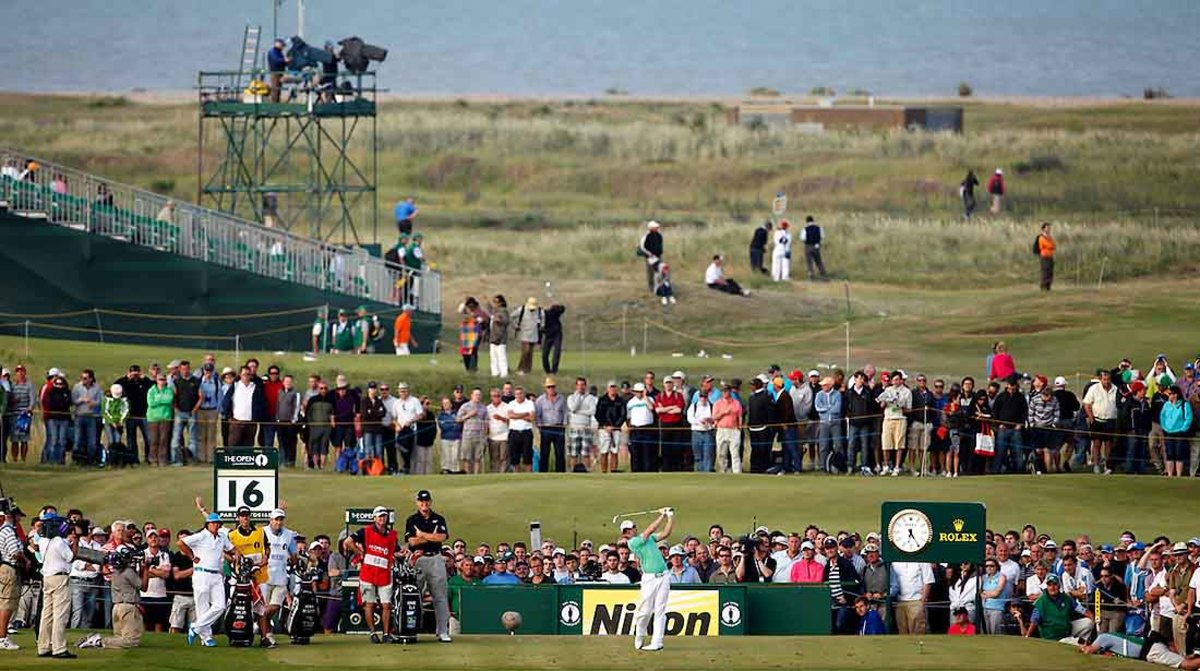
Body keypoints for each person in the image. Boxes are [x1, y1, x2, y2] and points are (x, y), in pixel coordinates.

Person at [178, 512, 236, 647]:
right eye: (213, 523)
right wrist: (192, 557)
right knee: (202, 606)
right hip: (201, 574)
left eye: (217, 523)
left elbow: (232, 549)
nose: (216, 525)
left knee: (220, 605)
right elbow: (181, 543)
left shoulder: (222, 537)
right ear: (208, 524)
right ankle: (207, 638)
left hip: (216, 575)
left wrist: (237, 554)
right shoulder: (201, 535)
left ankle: (196, 627)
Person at [343, 506, 399, 643]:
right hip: (368, 574)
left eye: (384, 516)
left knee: (387, 605)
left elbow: (394, 550)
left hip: (384, 574)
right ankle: (373, 633)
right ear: (374, 518)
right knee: (369, 604)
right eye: (379, 516)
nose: (382, 518)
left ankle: (386, 634)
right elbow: (347, 542)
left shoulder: (392, 534)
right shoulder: (365, 531)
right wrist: (360, 552)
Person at [405, 490, 451, 643]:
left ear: (430, 502)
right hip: (418, 559)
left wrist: (422, 535)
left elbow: (442, 537)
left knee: (440, 597)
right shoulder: (412, 519)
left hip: (436, 559)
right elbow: (412, 542)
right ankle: (412, 629)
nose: (424, 504)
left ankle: (443, 631)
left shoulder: (439, 518)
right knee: (414, 596)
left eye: (426, 501)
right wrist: (431, 536)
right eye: (421, 501)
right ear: (417, 502)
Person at [627, 508, 674, 651]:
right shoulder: (633, 542)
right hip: (649, 579)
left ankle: (657, 642)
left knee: (660, 610)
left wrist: (670, 517)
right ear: (627, 532)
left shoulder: (650, 539)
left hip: (664, 576)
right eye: (633, 527)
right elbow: (650, 529)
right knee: (645, 611)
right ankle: (640, 634)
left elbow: (666, 533)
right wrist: (662, 515)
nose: (635, 528)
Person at [226, 506, 274, 647]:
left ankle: (264, 637)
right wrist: (233, 559)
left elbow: (267, 547)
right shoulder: (232, 535)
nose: (245, 518)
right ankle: (235, 633)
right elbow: (225, 553)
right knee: (236, 606)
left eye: (247, 515)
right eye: (242, 515)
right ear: (238, 518)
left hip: (259, 576)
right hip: (239, 578)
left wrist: (266, 556)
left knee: (260, 609)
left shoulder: (260, 532)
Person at [511, 297, 542, 376]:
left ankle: (528, 369)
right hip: (524, 334)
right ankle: (520, 368)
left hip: (534, 335)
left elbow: (543, 322)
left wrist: (540, 326)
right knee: (525, 352)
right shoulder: (522, 310)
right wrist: (516, 325)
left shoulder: (540, 311)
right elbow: (512, 316)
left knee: (530, 353)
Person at [638, 220, 664, 293]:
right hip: (650, 257)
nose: (657, 228)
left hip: (658, 256)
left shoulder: (659, 235)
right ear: (651, 228)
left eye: (657, 227)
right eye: (656, 227)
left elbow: (660, 245)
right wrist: (649, 253)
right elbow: (642, 247)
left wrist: (660, 253)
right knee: (650, 272)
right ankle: (651, 287)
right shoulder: (646, 236)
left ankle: (659, 286)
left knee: (660, 271)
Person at [541, 303, 566, 374]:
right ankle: (548, 370)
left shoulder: (552, 313)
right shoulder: (544, 314)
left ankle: (553, 370)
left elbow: (562, 308)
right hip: (549, 335)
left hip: (556, 334)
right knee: (545, 354)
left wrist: (554, 307)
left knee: (555, 353)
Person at [487, 296, 509, 376]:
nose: (495, 304)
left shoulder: (503, 311)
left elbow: (505, 321)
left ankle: (504, 373)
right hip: (493, 336)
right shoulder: (495, 311)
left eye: (496, 302)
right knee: (493, 356)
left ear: (501, 302)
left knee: (501, 356)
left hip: (500, 337)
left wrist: (499, 320)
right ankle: (495, 372)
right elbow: (490, 310)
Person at [802, 215, 828, 281]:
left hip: (808, 246)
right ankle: (823, 275)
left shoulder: (805, 228)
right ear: (813, 220)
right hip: (817, 246)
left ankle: (811, 275)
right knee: (818, 261)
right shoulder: (819, 228)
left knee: (809, 262)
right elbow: (822, 236)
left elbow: (803, 238)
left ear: (807, 221)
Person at [266, 38, 288, 103]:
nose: (283, 47)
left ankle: (277, 103)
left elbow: (281, 61)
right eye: (282, 45)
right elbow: (276, 60)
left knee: (278, 90)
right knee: (275, 89)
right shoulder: (272, 52)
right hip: (275, 73)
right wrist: (284, 60)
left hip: (280, 73)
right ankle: (274, 105)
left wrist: (286, 62)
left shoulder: (279, 53)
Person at [1036, 222, 1056, 291]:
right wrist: (1050, 245)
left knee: (1050, 271)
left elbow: (1053, 245)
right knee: (1045, 271)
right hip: (1044, 256)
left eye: (1049, 228)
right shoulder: (1041, 237)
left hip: (1050, 256)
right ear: (1043, 229)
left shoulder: (1049, 237)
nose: (1049, 229)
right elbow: (1049, 245)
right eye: (1047, 228)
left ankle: (1048, 285)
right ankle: (1043, 285)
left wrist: (1051, 245)